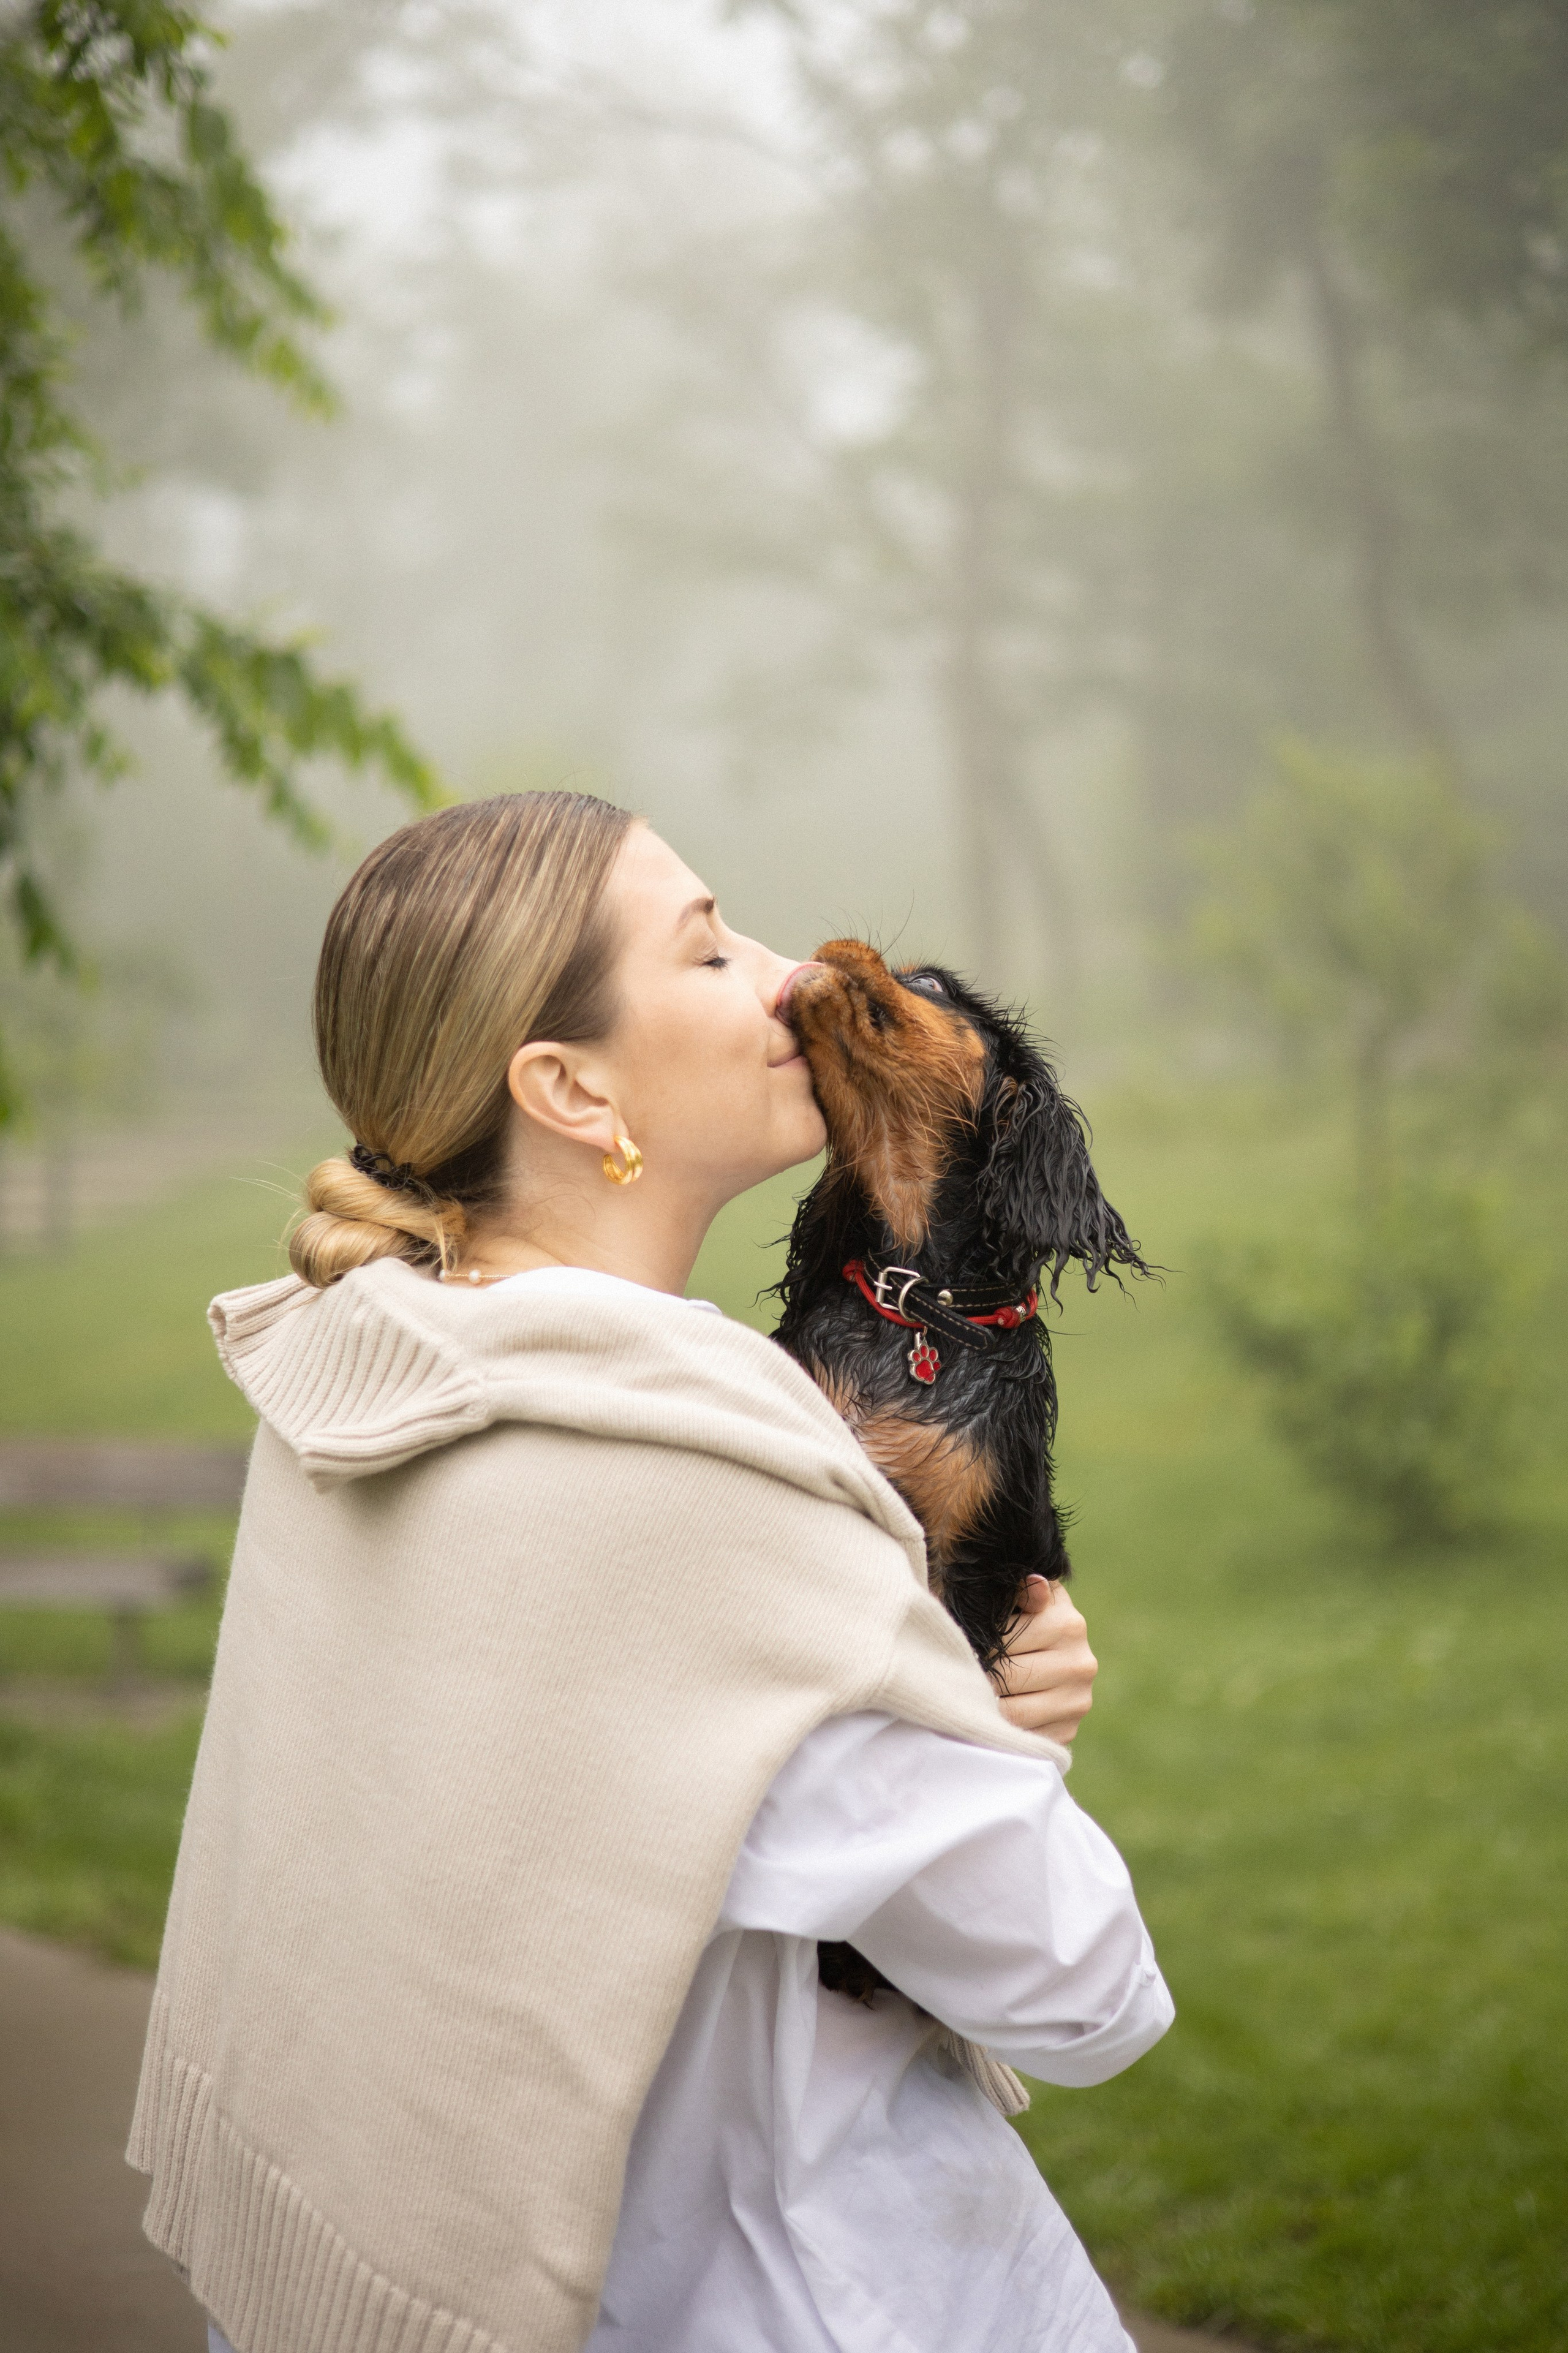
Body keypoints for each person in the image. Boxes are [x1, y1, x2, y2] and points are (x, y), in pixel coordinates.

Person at [129, 792, 1172, 2353]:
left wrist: (937, 1680)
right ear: (564, 1085)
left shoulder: (369, 1368)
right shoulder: (697, 1480)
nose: (782, 979)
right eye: (705, 952)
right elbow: (1084, 1984)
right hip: (785, 2289)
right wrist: (996, 1751)